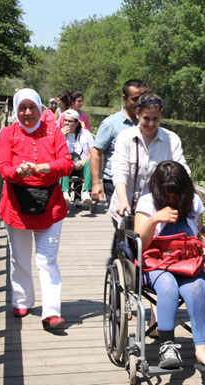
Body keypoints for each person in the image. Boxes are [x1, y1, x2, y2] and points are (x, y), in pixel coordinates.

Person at [0, 88, 74, 330]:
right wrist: (18, 172)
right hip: (16, 205)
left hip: (50, 206)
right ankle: (22, 299)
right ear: (16, 110)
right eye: (22, 108)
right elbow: (3, 168)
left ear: (41, 108)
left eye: (32, 107)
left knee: (47, 260)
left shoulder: (53, 133)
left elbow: (66, 164)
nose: (27, 112)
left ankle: (51, 312)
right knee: (19, 258)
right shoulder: (7, 134)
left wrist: (41, 168)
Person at [134, 160, 205, 368]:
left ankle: (201, 348)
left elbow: (196, 233)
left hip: (186, 258)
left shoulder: (193, 202)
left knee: (197, 287)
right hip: (156, 259)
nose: (172, 197)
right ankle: (167, 345)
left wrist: (204, 241)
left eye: (176, 193)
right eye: (168, 193)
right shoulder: (146, 202)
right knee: (168, 285)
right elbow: (139, 245)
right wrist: (154, 220)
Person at [109, 91, 189, 223]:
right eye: (146, 118)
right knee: (124, 243)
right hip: (126, 208)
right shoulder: (125, 137)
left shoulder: (172, 139)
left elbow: (182, 171)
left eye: (155, 119)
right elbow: (119, 170)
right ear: (137, 114)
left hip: (156, 211)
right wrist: (123, 201)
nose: (151, 124)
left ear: (161, 116)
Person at [91, 79, 147, 260]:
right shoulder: (112, 123)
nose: (139, 103)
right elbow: (96, 152)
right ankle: (121, 262)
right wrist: (95, 182)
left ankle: (133, 263)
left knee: (139, 226)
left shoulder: (148, 122)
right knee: (123, 226)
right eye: (135, 99)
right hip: (114, 183)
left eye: (143, 98)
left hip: (141, 184)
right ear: (124, 98)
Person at [59, 109, 94, 207]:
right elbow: (53, 152)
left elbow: (93, 153)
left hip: (82, 167)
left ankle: (86, 192)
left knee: (90, 162)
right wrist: (61, 137)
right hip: (67, 167)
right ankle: (65, 192)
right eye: (65, 120)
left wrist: (84, 160)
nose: (66, 123)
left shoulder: (85, 134)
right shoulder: (59, 134)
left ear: (76, 123)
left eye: (70, 121)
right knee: (63, 162)